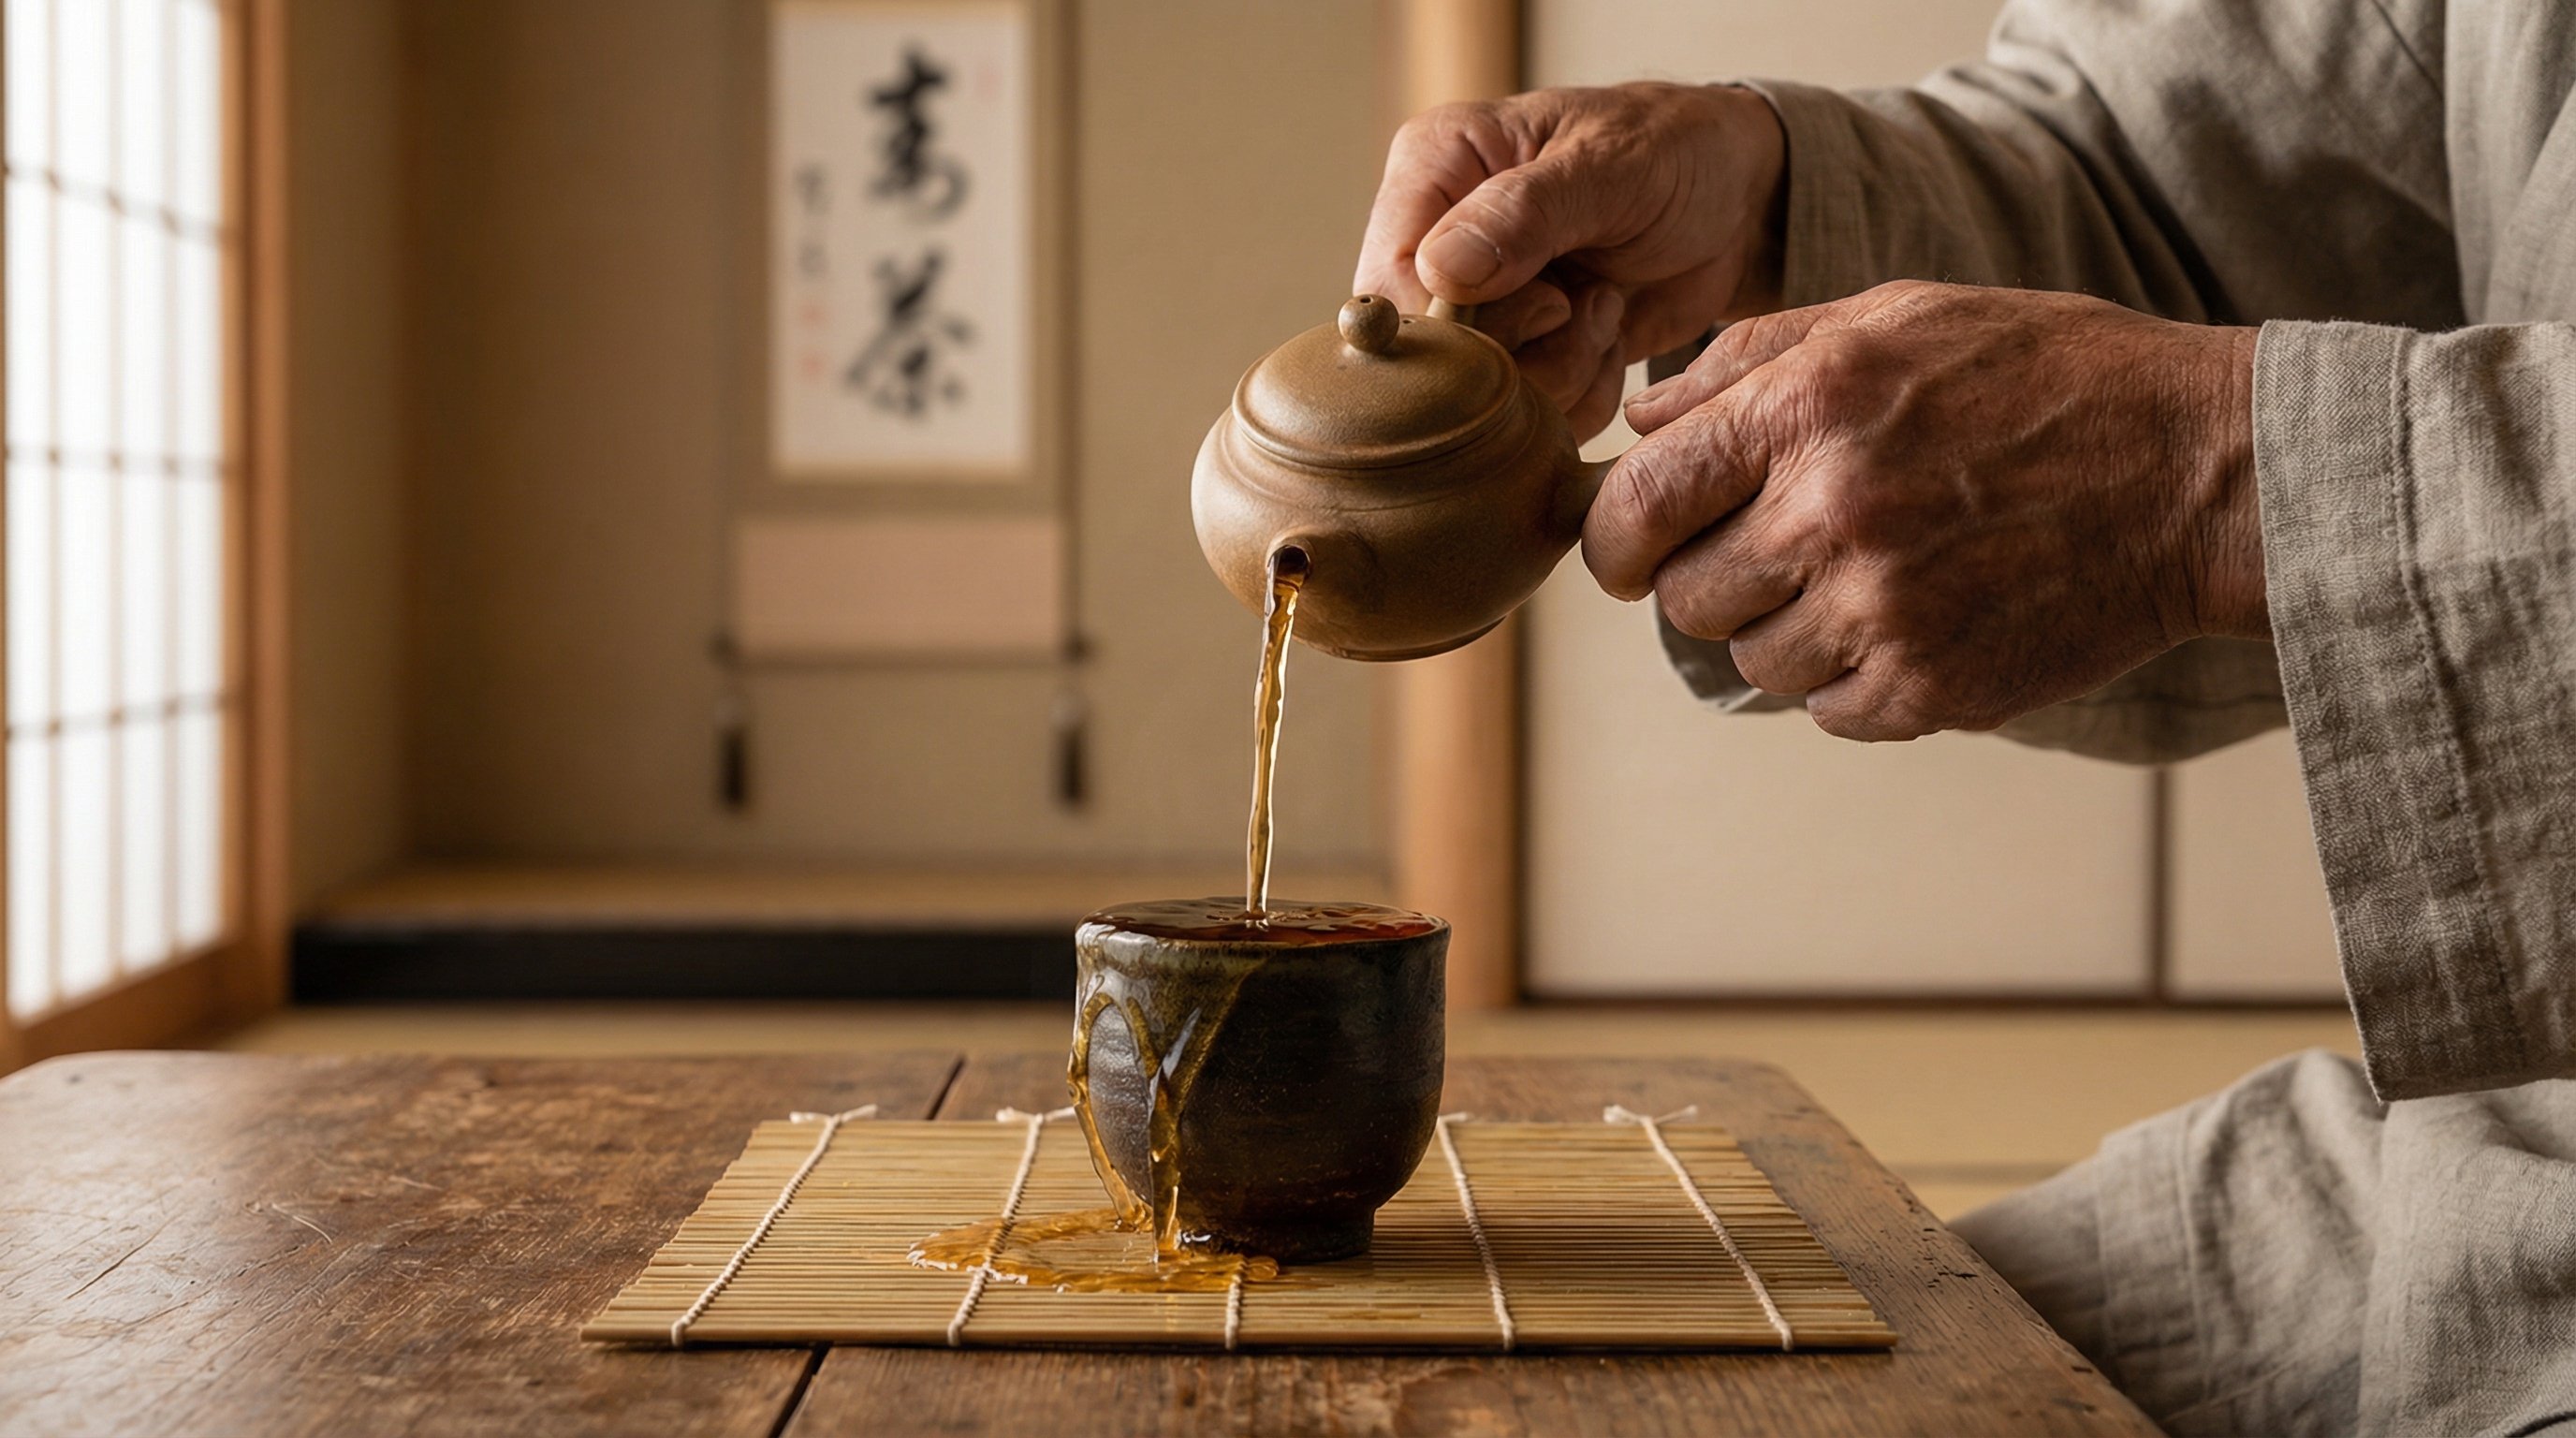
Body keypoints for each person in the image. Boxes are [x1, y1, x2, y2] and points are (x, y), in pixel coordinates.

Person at [1352, 2, 2576, 1433]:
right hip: (2476, 1157)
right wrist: (1771, 210)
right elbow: (2183, 173)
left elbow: (2214, 414)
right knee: (1682, 1390)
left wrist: (2231, 472)